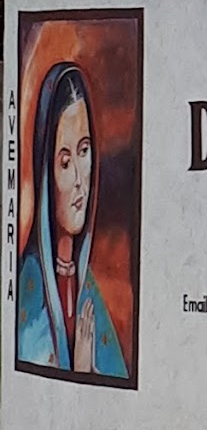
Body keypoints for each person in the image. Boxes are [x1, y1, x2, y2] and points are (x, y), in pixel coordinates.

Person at [18, 62, 128, 378]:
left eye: (84, 150)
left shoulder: (88, 290)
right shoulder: (30, 291)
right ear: (45, 178)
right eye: (66, 163)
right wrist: (78, 373)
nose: (81, 178)